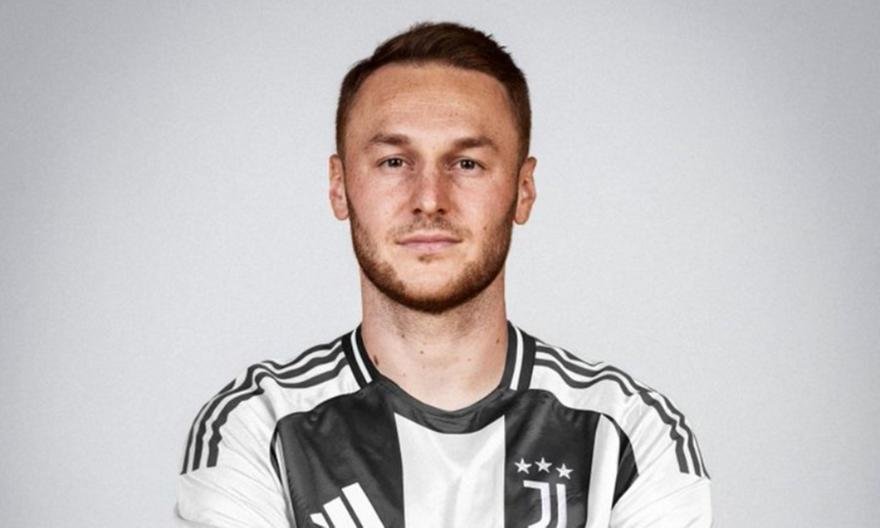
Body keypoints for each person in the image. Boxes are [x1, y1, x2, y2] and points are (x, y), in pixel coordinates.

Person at [176, 21, 712, 528]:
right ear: (339, 187)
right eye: (394, 162)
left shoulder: (627, 433)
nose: (430, 199)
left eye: (467, 164)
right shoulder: (258, 428)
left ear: (523, 190)